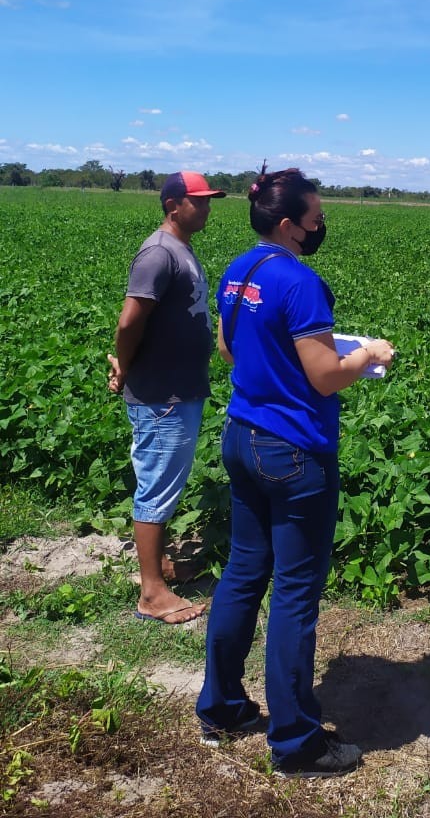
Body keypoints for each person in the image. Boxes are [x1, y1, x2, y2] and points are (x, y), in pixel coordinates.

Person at [195, 167, 395, 778]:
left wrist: (274, 360)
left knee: (242, 573)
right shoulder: (302, 282)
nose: (320, 227)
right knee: (296, 594)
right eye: (315, 219)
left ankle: (224, 708)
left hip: (240, 435)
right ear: (288, 224)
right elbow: (325, 376)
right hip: (293, 452)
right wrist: (367, 355)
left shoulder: (239, 270)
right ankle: (295, 743)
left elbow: (228, 349)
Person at [109, 170, 226, 624]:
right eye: (199, 200)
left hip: (179, 389)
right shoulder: (158, 253)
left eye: (209, 199)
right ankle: (151, 594)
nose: (207, 207)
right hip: (163, 394)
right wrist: (123, 363)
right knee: (156, 485)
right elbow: (129, 322)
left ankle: (156, 568)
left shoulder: (180, 248)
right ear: (173, 205)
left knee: (166, 482)